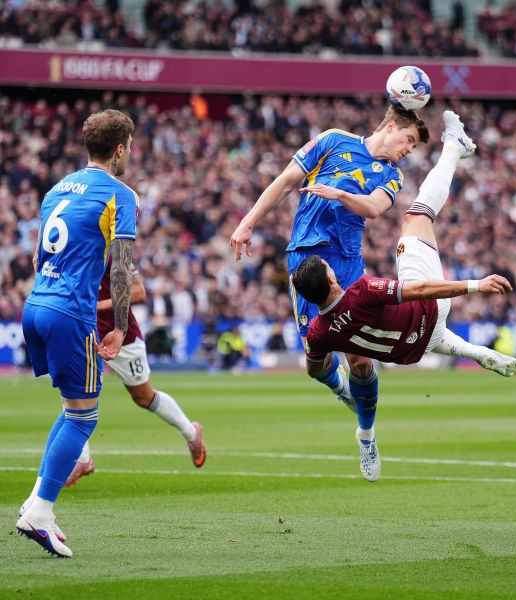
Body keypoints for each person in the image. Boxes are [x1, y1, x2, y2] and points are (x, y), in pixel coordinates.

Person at [291, 111, 516, 482]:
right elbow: (421, 290)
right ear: (333, 277)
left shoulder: (319, 332)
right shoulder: (361, 290)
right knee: (418, 215)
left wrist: (335, 384)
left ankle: (471, 352)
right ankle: (454, 147)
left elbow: (313, 366)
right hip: (429, 313)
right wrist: (476, 285)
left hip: (413, 350)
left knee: (374, 355)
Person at [230, 106, 430, 421]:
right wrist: (248, 221)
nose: (408, 150)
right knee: (315, 359)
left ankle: (367, 435)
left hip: (348, 262)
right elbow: (286, 181)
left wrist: (338, 194)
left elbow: (375, 207)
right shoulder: (333, 140)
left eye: (413, 147)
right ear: (390, 127)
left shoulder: (392, 174)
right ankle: (338, 388)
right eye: (408, 140)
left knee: (360, 360)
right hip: (305, 256)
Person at [17, 109, 138, 557]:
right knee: (85, 417)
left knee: (72, 409)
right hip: (69, 312)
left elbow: (35, 257)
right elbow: (122, 267)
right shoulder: (121, 194)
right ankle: (40, 512)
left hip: (35, 305)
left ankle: (35, 502)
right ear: (120, 148)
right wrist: (121, 326)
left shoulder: (56, 190)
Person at [62, 263, 207, 488]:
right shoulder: (71, 247)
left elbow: (139, 292)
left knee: (144, 397)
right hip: (84, 333)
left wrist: (96, 306)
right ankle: (82, 459)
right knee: (73, 390)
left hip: (121, 336)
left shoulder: (114, 251)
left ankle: (191, 432)